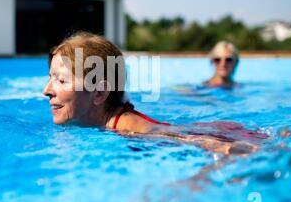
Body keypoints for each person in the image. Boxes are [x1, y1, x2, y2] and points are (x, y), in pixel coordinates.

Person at [43, 32, 266, 155]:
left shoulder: (134, 130)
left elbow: (228, 148)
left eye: (60, 80)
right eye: (50, 77)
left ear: (100, 93)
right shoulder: (91, 119)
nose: (47, 90)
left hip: (232, 134)